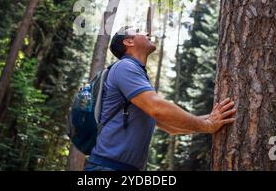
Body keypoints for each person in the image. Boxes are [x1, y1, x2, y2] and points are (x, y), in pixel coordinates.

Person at [84, 26, 236, 171]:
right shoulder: (125, 67)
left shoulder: (135, 74)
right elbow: (157, 109)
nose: (147, 33)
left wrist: (212, 119)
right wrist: (208, 125)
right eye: (139, 31)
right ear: (128, 42)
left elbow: (169, 126)